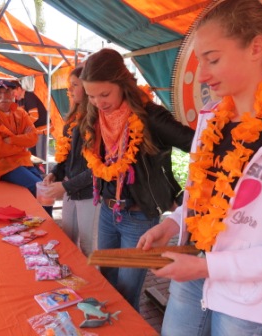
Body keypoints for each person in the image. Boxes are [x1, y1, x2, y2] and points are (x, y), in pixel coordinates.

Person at [137, 1, 262, 335]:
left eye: (213, 59)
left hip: (249, 300)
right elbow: (204, 196)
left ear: (257, 47)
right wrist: (172, 225)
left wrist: (205, 265)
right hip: (192, 275)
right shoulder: (211, 117)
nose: (205, 74)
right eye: (202, 62)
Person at [80, 48, 194, 311]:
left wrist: (183, 190)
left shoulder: (150, 116)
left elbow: (197, 142)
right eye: (91, 96)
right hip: (108, 212)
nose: (98, 102)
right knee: (105, 282)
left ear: (123, 82)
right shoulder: (96, 117)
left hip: (139, 217)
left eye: (104, 94)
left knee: (127, 292)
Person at [43, 65, 100, 256]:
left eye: (74, 85)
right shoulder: (72, 120)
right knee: (67, 238)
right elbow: (65, 157)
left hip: (89, 194)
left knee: (88, 246)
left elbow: (98, 168)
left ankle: (91, 283)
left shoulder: (98, 122)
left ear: (88, 88)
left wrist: (66, 187)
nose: (69, 90)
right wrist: (54, 172)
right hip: (70, 189)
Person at [0, 79, 52, 216]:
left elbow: (33, 138)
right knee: (38, 188)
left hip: (22, 161)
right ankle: (45, 219)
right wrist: (21, 145)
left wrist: (12, 140)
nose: (3, 97)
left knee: (45, 187)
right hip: (0, 166)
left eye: (7, 92)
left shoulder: (21, 113)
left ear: (13, 94)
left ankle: (47, 220)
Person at [11, 80, 48, 161]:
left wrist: (22, 127)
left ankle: (42, 173)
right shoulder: (19, 100)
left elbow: (34, 116)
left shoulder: (29, 96)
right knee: (32, 156)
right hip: (31, 131)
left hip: (41, 129)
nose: (13, 96)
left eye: (14, 93)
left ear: (19, 89)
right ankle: (34, 172)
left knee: (40, 157)